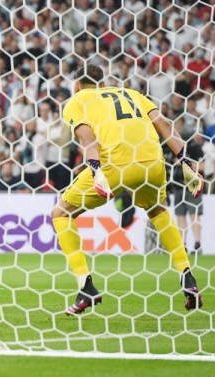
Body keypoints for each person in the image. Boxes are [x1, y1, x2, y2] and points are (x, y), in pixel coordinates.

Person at [50, 64, 203, 315]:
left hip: (114, 166)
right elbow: (163, 123)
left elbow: (87, 139)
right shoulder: (133, 94)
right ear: (103, 84)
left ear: (76, 86)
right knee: (157, 210)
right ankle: (187, 276)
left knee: (61, 213)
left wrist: (96, 170)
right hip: (153, 164)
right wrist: (184, 159)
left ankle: (85, 287)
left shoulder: (77, 100)